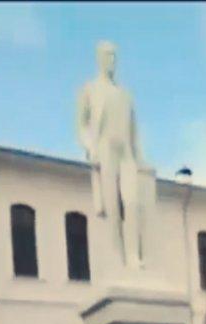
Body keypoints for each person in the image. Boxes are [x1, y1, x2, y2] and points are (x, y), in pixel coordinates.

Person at [76, 41, 144, 268]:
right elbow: (82, 124)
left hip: (125, 152)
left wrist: (139, 158)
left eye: (114, 56)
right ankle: (118, 257)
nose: (111, 61)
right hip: (105, 150)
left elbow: (133, 131)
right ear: (99, 59)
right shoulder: (90, 89)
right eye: (107, 56)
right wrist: (90, 147)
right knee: (112, 207)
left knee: (132, 202)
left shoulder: (125, 95)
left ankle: (133, 255)